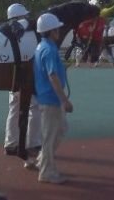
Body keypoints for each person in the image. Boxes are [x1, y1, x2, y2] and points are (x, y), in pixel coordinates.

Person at [33, 13, 73, 184]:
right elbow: (52, 75)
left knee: (61, 128)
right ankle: (46, 172)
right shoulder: (49, 49)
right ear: (52, 30)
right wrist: (64, 99)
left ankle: (43, 161)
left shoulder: (43, 46)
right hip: (51, 99)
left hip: (48, 98)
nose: (59, 30)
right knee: (50, 136)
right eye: (57, 28)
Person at [3, 3, 41, 164]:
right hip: (25, 77)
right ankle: (32, 143)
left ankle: (10, 143)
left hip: (12, 78)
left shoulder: (6, 33)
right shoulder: (27, 33)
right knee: (34, 107)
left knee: (13, 108)